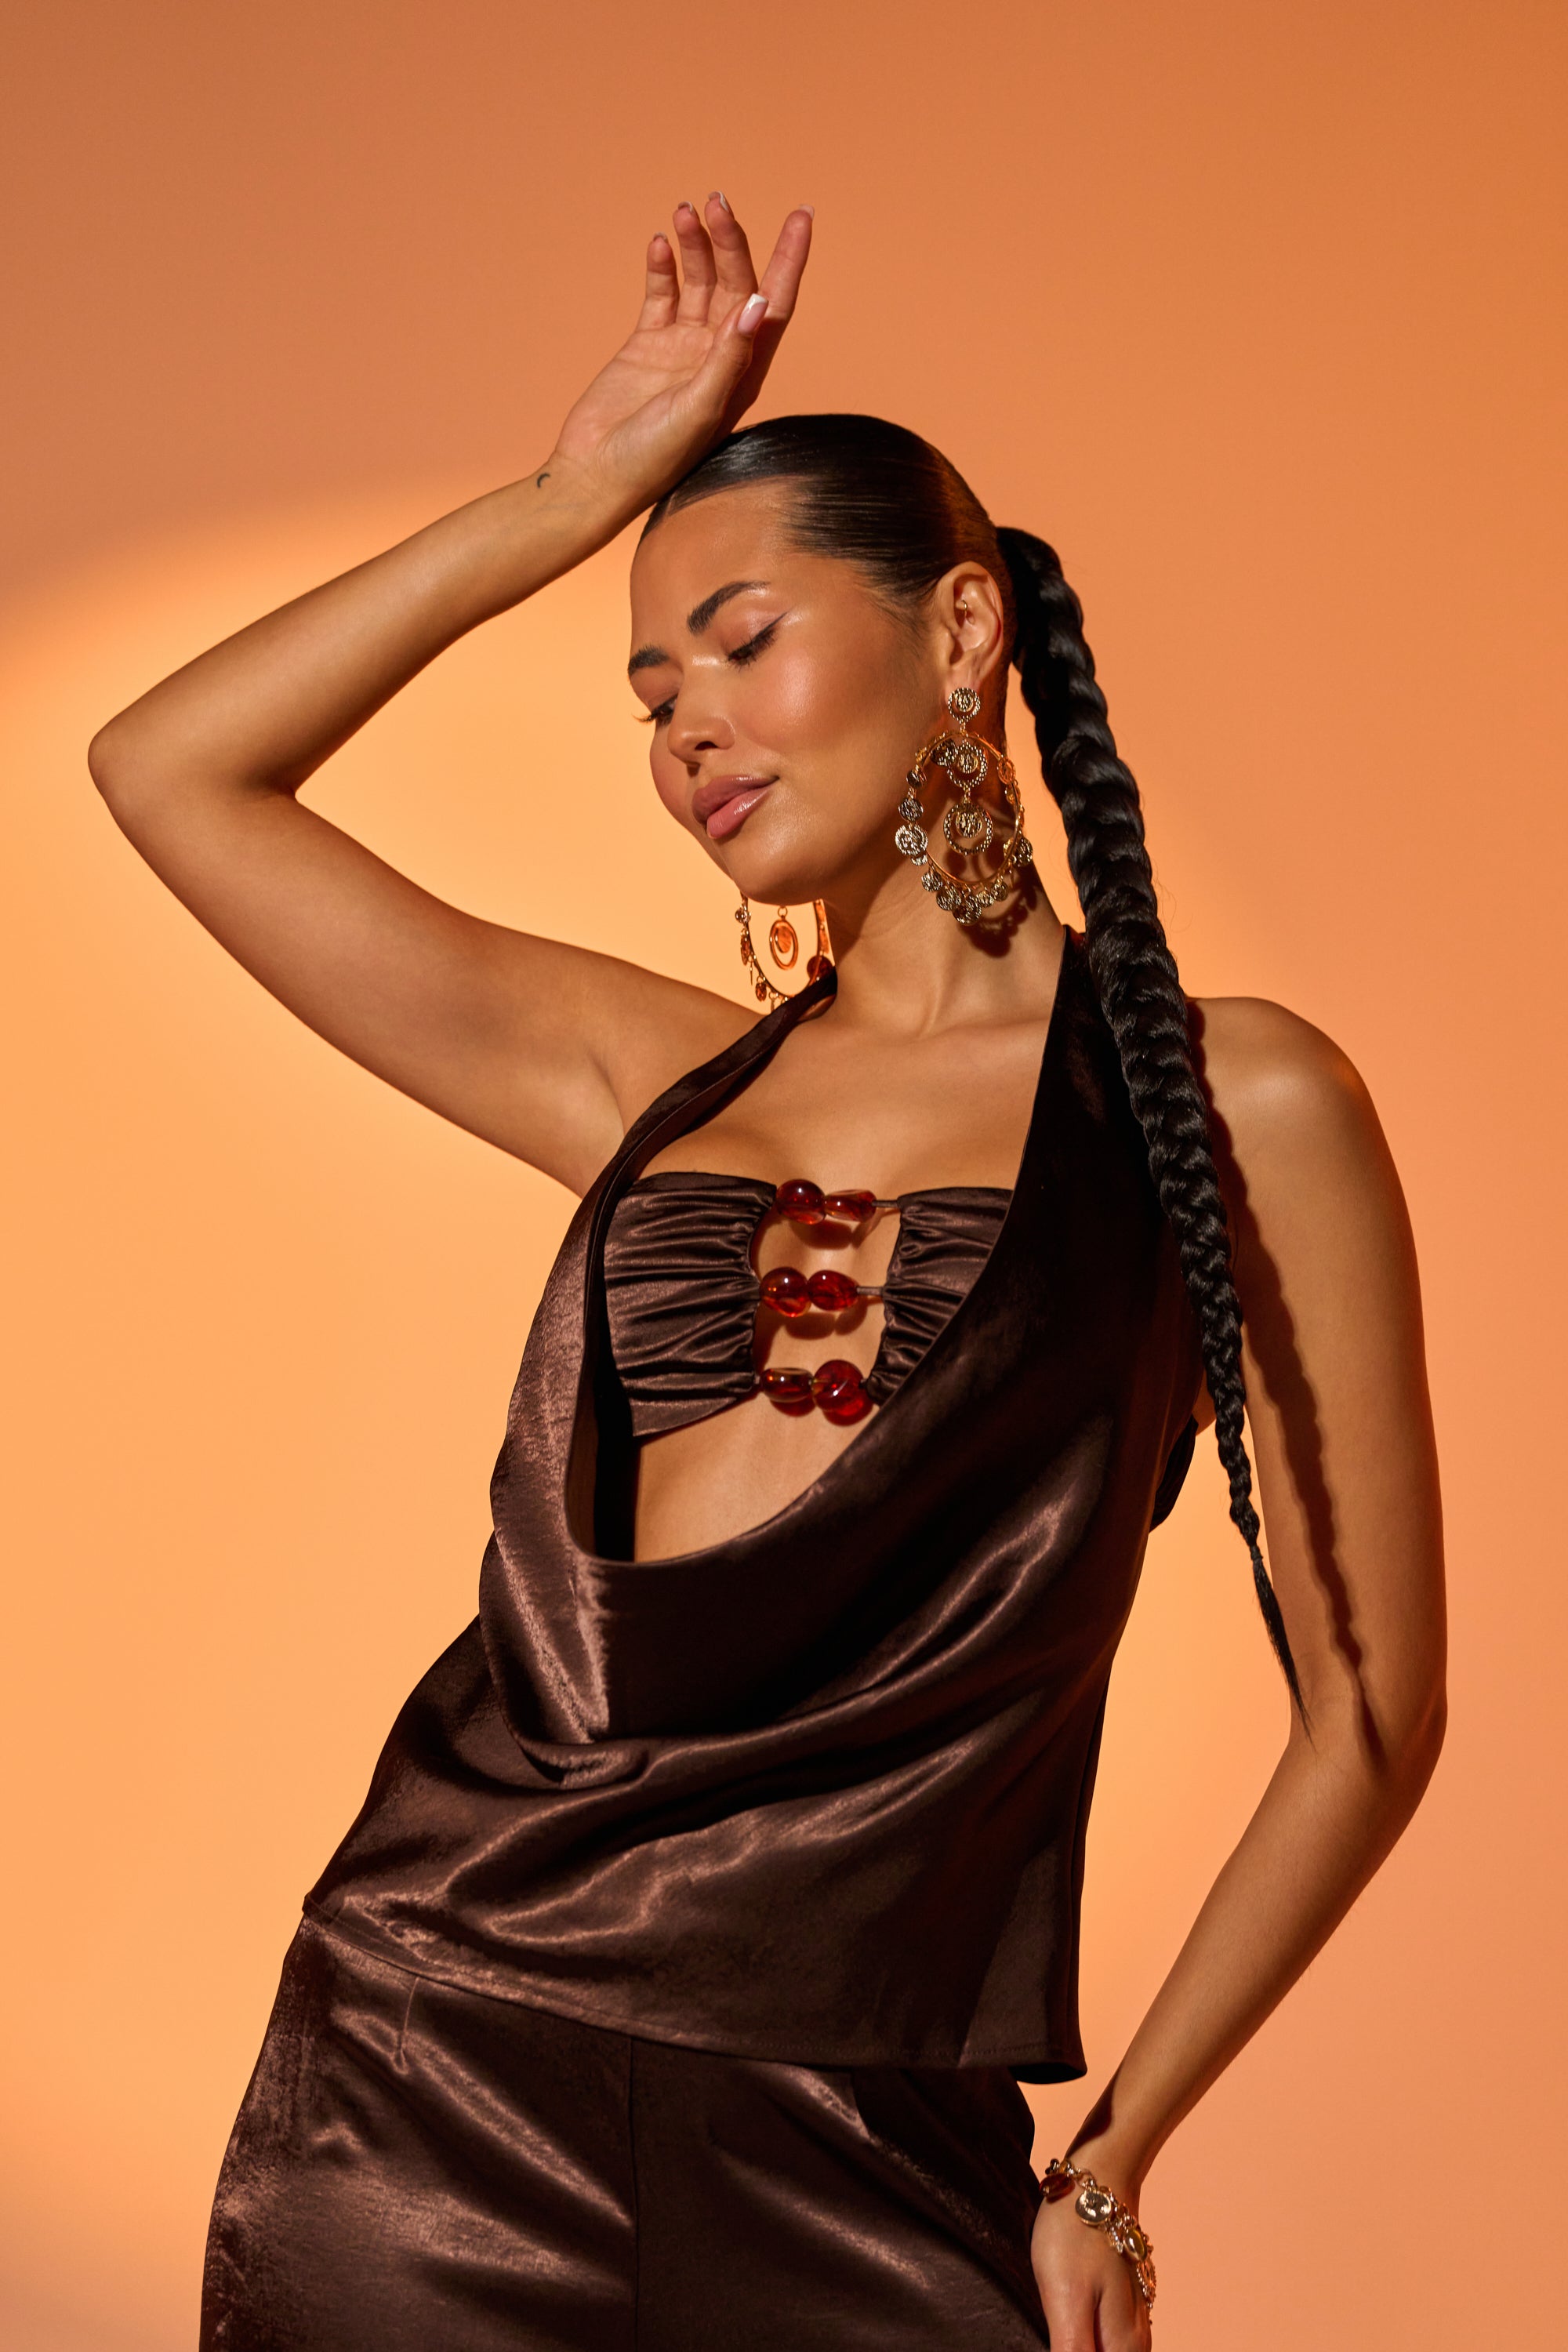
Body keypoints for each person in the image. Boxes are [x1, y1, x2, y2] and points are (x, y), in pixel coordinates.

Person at [89, 195, 1446, 2352]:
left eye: (741, 640)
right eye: (648, 688)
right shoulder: (643, 1077)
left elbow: (1373, 1714)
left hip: (871, 2136)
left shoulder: (1229, 1104)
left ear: (965, 633)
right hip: (444, 2076)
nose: (687, 727)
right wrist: (570, 496)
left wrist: (1114, 2158)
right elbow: (167, 769)